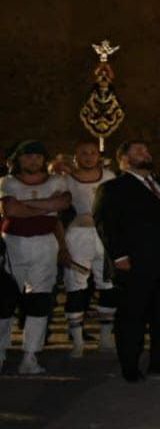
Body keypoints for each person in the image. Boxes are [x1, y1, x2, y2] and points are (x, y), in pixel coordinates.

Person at [96, 139, 160, 381]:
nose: (146, 153)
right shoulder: (114, 188)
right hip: (137, 262)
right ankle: (130, 365)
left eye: (147, 149)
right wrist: (119, 256)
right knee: (133, 315)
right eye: (139, 151)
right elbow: (106, 224)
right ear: (124, 159)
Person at [1, 140, 72, 374]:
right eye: (28, 156)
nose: (33, 161)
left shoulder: (57, 181)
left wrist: (27, 206)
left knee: (40, 300)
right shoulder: (7, 182)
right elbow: (10, 210)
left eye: (38, 156)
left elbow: (63, 203)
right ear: (18, 160)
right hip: (13, 243)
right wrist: (47, 206)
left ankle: (30, 355)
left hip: (45, 244)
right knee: (5, 300)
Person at [63, 140, 118, 356]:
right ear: (76, 156)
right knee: (76, 287)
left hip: (103, 236)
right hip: (78, 237)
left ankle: (105, 338)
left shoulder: (110, 177)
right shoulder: (65, 180)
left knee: (108, 285)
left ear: (99, 155)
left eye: (92, 153)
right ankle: (77, 342)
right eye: (83, 153)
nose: (88, 157)